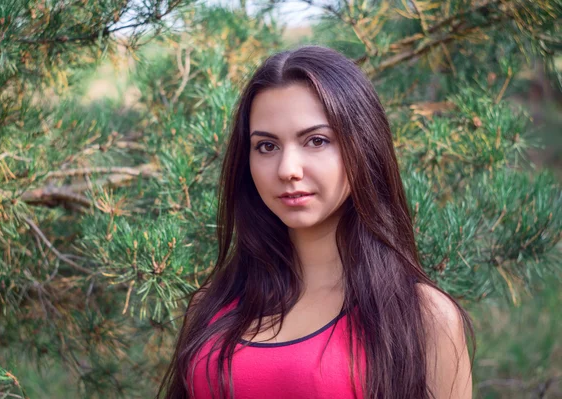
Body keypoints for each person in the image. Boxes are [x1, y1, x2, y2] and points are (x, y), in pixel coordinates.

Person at [157, 45, 475, 399]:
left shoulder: (422, 318)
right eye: (266, 146)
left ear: (363, 146)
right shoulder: (211, 306)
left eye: (316, 141)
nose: (287, 169)